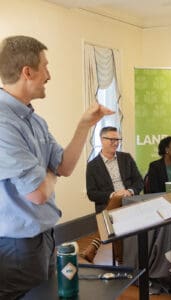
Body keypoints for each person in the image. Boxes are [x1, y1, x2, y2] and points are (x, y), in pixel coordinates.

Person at [0, 35, 113, 299]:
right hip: (17, 247)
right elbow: (38, 194)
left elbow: (64, 166)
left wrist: (85, 124)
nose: (49, 75)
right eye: (45, 66)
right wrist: (49, 173)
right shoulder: (4, 124)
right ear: (27, 72)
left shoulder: (33, 119)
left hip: (43, 238)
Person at [82, 126, 144, 263]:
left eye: (118, 139)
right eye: (111, 139)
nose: (115, 142)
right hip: (107, 206)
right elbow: (92, 194)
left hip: (130, 201)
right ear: (101, 140)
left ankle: (95, 246)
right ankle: (122, 259)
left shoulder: (126, 158)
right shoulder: (92, 166)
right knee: (115, 211)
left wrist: (129, 191)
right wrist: (113, 195)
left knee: (115, 214)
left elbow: (139, 181)